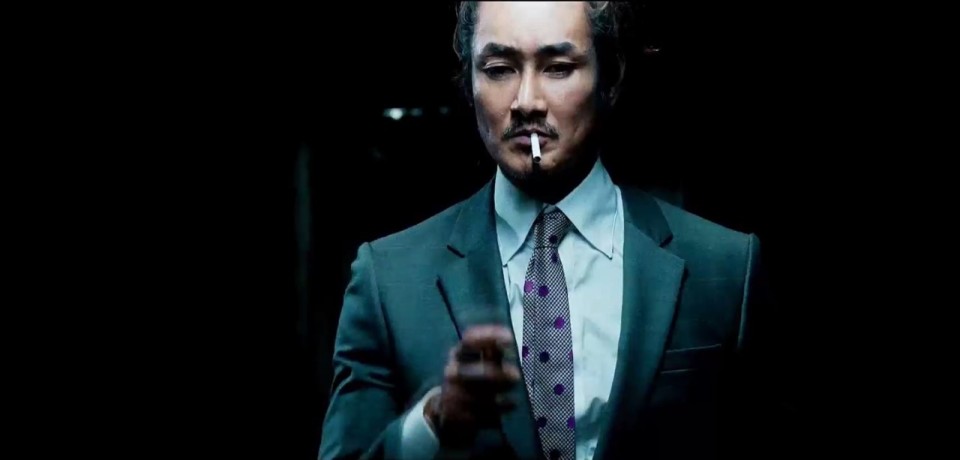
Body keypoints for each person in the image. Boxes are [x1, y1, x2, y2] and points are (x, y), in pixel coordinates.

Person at [320, 2, 781, 459]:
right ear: (470, 83)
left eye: (558, 68)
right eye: (499, 69)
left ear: (610, 78)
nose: (526, 102)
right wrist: (433, 423)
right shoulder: (388, 280)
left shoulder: (724, 267)